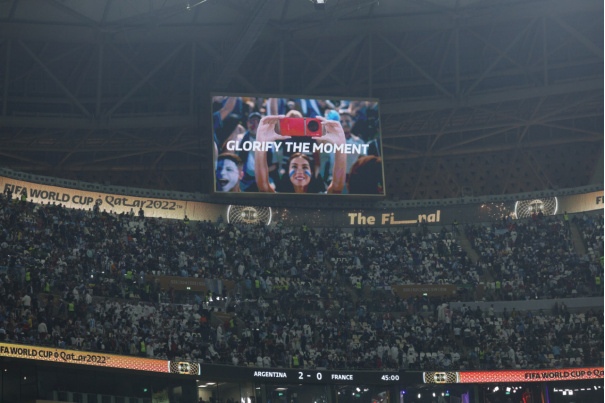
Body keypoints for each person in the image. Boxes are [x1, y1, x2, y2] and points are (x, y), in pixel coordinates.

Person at [254, 115, 346, 194]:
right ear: (288, 172)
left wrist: (341, 144)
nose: (299, 171)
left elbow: (336, 188)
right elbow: (263, 188)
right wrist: (260, 143)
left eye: (305, 167)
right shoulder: (280, 196)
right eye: (294, 166)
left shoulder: (319, 196)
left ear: (312, 172)